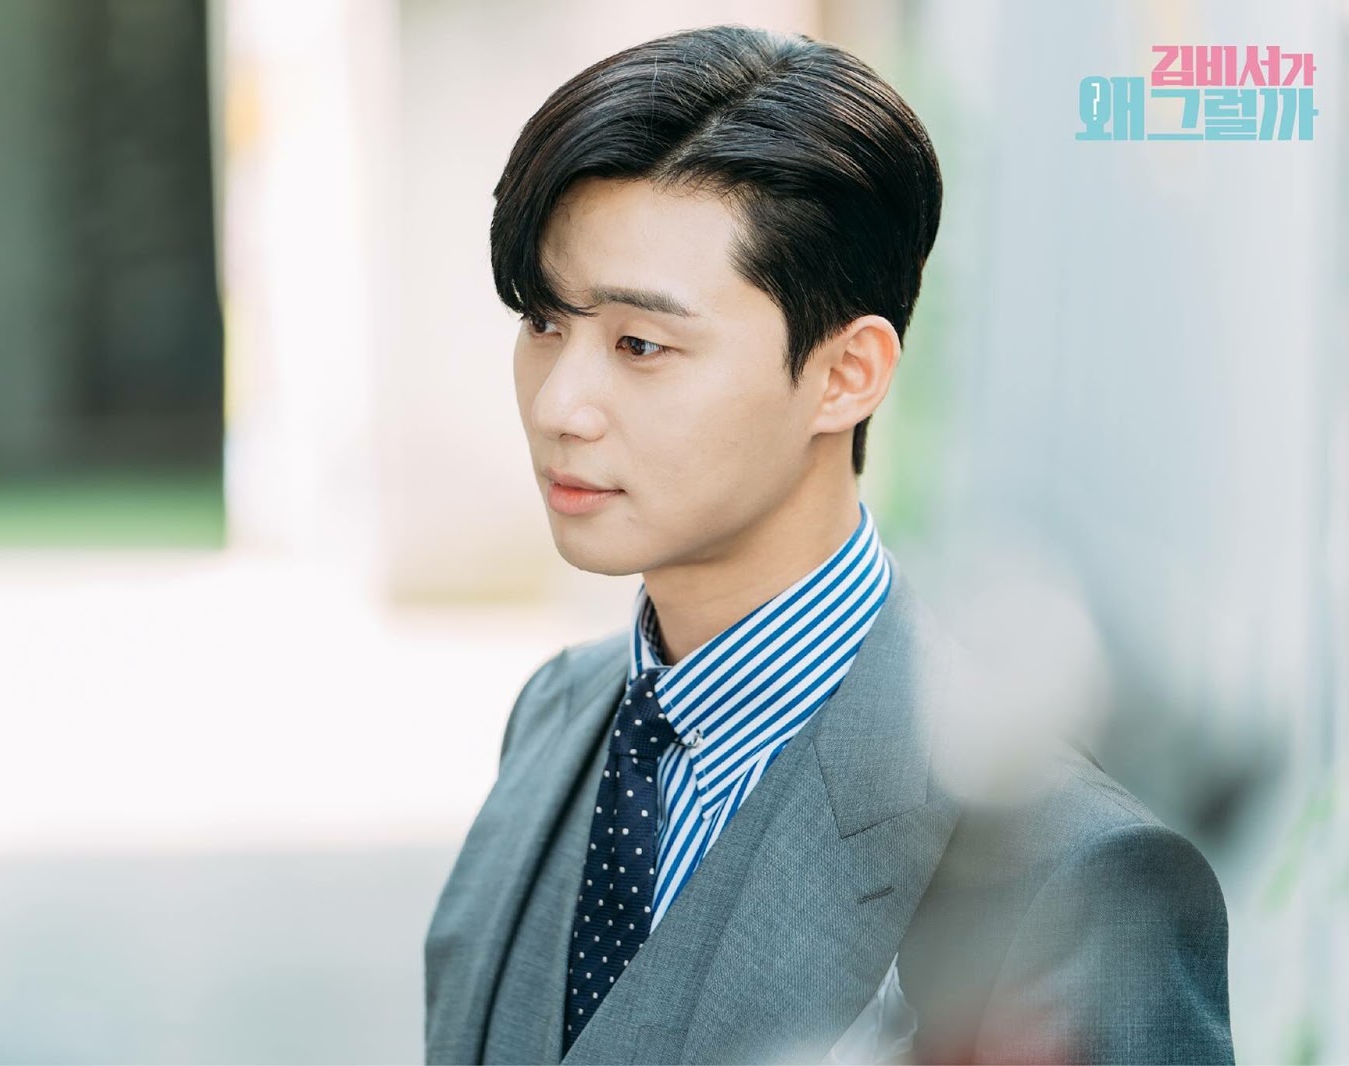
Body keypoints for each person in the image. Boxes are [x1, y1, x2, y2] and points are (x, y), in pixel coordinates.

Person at [424, 24, 1233, 1065]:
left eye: (640, 343)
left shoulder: (1069, 872)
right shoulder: (557, 716)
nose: (559, 405)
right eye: (542, 322)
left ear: (847, 375)